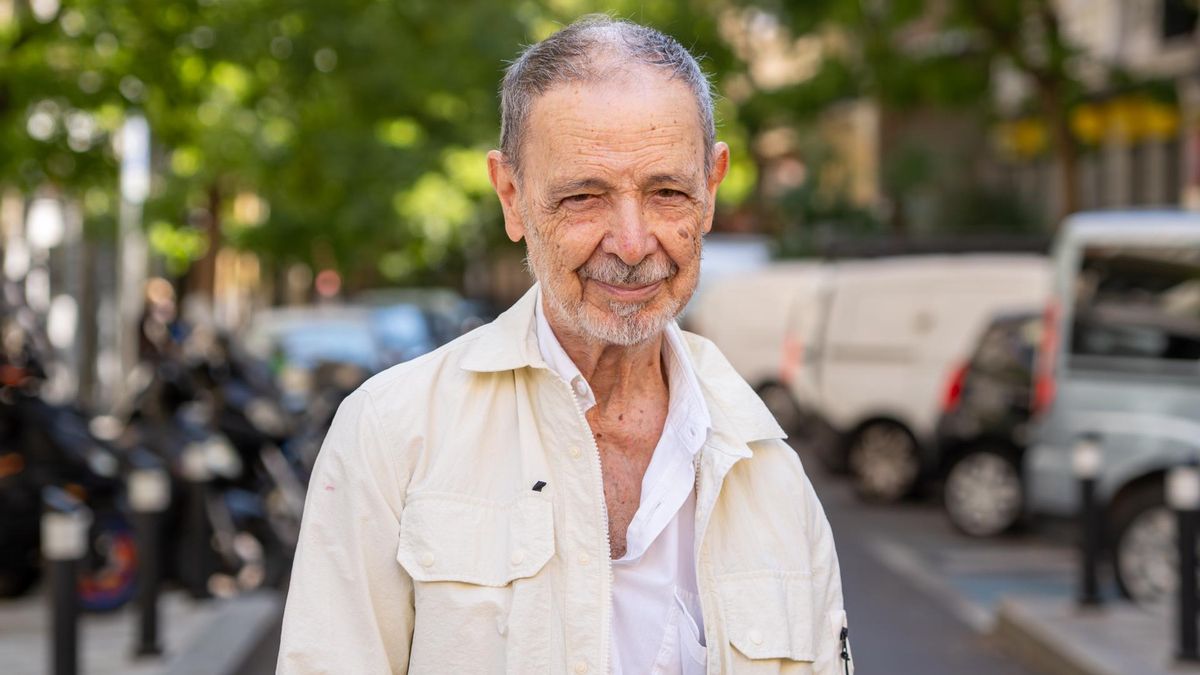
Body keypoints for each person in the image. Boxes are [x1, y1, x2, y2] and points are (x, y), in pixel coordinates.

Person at [278, 15, 850, 675]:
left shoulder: (770, 475)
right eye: (584, 196)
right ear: (512, 197)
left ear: (712, 189)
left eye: (667, 192)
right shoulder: (390, 433)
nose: (633, 244)